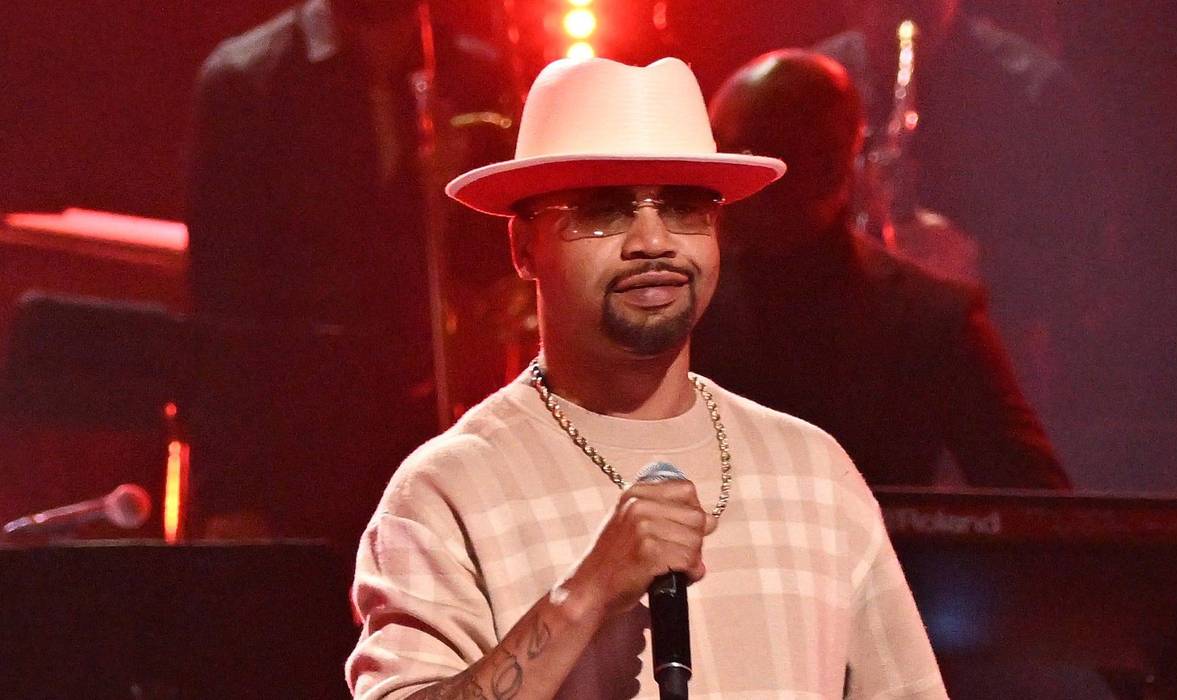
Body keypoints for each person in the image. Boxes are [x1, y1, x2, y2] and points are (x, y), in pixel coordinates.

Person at [347, 57, 947, 699]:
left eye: (685, 206)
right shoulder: (448, 491)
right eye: (605, 208)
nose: (654, 239)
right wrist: (584, 595)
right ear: (524, 247)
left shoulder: (813, 472)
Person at [186, 0, 507, 548]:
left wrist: (462, 203)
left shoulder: (477, 76)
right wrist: (230, 494)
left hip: (445, 438)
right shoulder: (247, 81)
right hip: (299, 451)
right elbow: (221, 308)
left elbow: (503, 272)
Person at [694, 49, 1069, 490]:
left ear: (826, 166)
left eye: (740, 151)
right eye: (712, 151)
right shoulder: (681, 302)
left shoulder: (933, 320)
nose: (716, 176)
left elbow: (1038, 510)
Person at [815, 0, 1108, 419]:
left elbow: (1086, 266)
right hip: (844, 367)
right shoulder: (813, 80)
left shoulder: (1037, 89)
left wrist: (976, 260)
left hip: (984, 368)